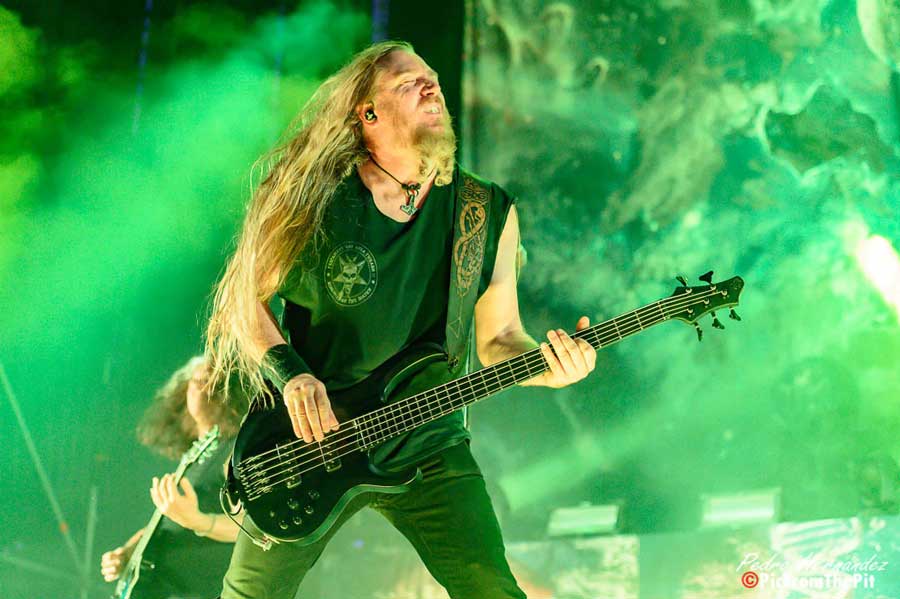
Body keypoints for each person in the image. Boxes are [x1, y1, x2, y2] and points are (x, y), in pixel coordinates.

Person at [204, 40, 597, 599]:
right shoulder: (310, 197)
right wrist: (292, 375)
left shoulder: (485, 211)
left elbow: (501, 340)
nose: (431, 86)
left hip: (426, 436)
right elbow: (242, 301)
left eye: (431, 77)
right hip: (312, 439)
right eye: (408, 83)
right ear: (368, 113)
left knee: (491, 588)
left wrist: (549, 367)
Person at [100, 356, 247, 599]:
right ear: (183, 393)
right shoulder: (195, 454)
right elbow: (168, 523)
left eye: (214, 381)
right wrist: (128, 552)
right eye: (199, 380)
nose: (206, 387)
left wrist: (200, 521)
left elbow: (252, 528)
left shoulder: (235, 451)